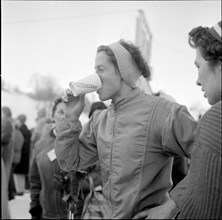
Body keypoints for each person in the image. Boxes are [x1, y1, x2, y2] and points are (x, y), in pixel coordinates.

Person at [55, 39, 197, 219]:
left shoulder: (165, 112)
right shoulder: (99, 120)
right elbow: (69, 162)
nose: (95, 77)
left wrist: (174, 204)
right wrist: (70, 118)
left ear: (123, 71)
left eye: (101, 69)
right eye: (94, 70)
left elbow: (210, 159)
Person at [133, 21, 221, 219]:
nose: (197, 80)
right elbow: (203, 174)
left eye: (198, 66)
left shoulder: (215, 119)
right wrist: (173, 204)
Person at [29, 97, 102, 219]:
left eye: (69, 112)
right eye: (61, 112)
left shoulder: (85, 141)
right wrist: (35, 210)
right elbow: (35, 182)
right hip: (48, 213)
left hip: (79, 212)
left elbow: (100, 174)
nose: (65, 116)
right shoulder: (40, 146)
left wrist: (76, 182)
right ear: (52, 117)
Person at [13, 114, 31, 195]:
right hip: (26, 154)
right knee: (22, 173)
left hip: (22, 153)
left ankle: (19, 190)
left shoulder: (20, 130)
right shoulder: (27, 130)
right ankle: (21, 189)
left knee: (18, 173)